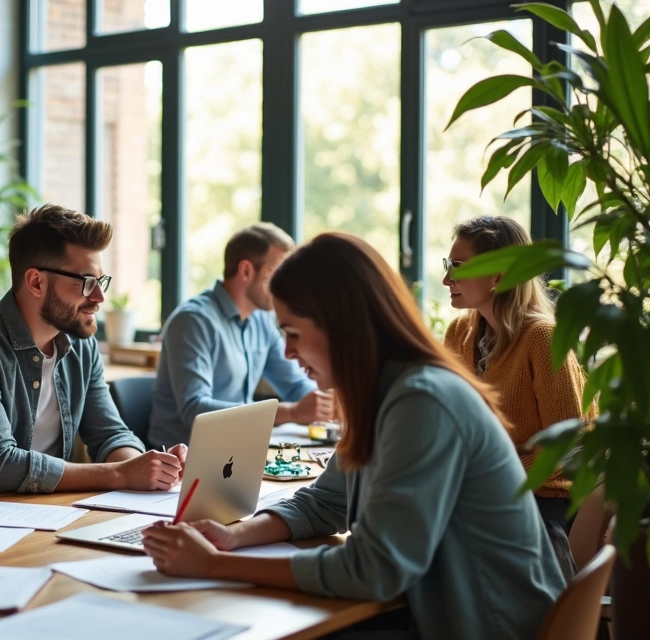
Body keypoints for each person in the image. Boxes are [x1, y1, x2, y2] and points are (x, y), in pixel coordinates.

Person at [142, 233, 566, 640]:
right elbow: (327, 500)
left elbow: (375, 570)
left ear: (340, 326)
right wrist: (232, 536)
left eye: (292, 334)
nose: (288, 353)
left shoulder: (421, 402)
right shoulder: (381, 393)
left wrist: (215, 566)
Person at [0, 203, 188, 501]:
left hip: (47, 516)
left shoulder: (81, 343)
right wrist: (121, 473)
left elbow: (110, 434)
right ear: (36, 282)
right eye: (87, 283)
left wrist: (148, 467)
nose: (99, 297)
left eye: (101, 281)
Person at [442, 215, 591, 579]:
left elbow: (569, 447)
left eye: (458, 267)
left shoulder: (542, 338)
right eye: (447, 265)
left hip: (543, 501)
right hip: (481, 494)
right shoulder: (460, 332)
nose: (447, 279)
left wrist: (490, 479)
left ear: (499, 275)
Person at [149, 223, 332, 449]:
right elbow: (195, 410)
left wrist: (323, 405)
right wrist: (291, 412)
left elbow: (294, 385)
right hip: (183, 464)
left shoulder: (262, 320)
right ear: (246, 271)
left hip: (237, 452)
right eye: (275, 274)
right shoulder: (193, 321)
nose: (285, 287)